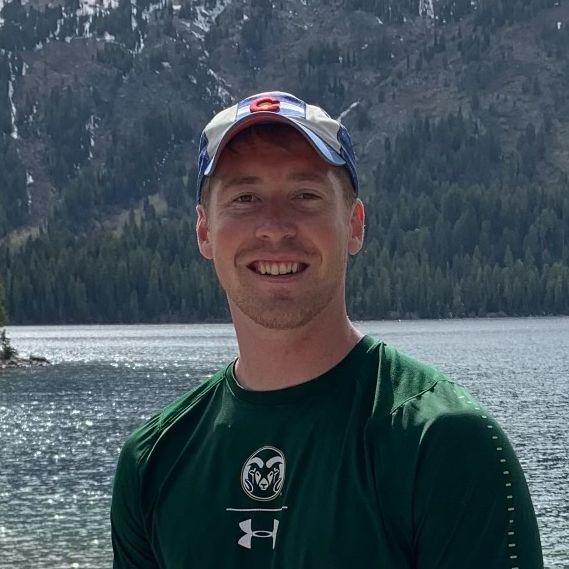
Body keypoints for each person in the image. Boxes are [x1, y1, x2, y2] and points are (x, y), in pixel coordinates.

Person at [110, 91, 544, 568]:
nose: (275, 226)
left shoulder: (441, 442)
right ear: (204, 231)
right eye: (245, 198)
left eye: (305, 195)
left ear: (354, 224)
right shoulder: (153, 461)